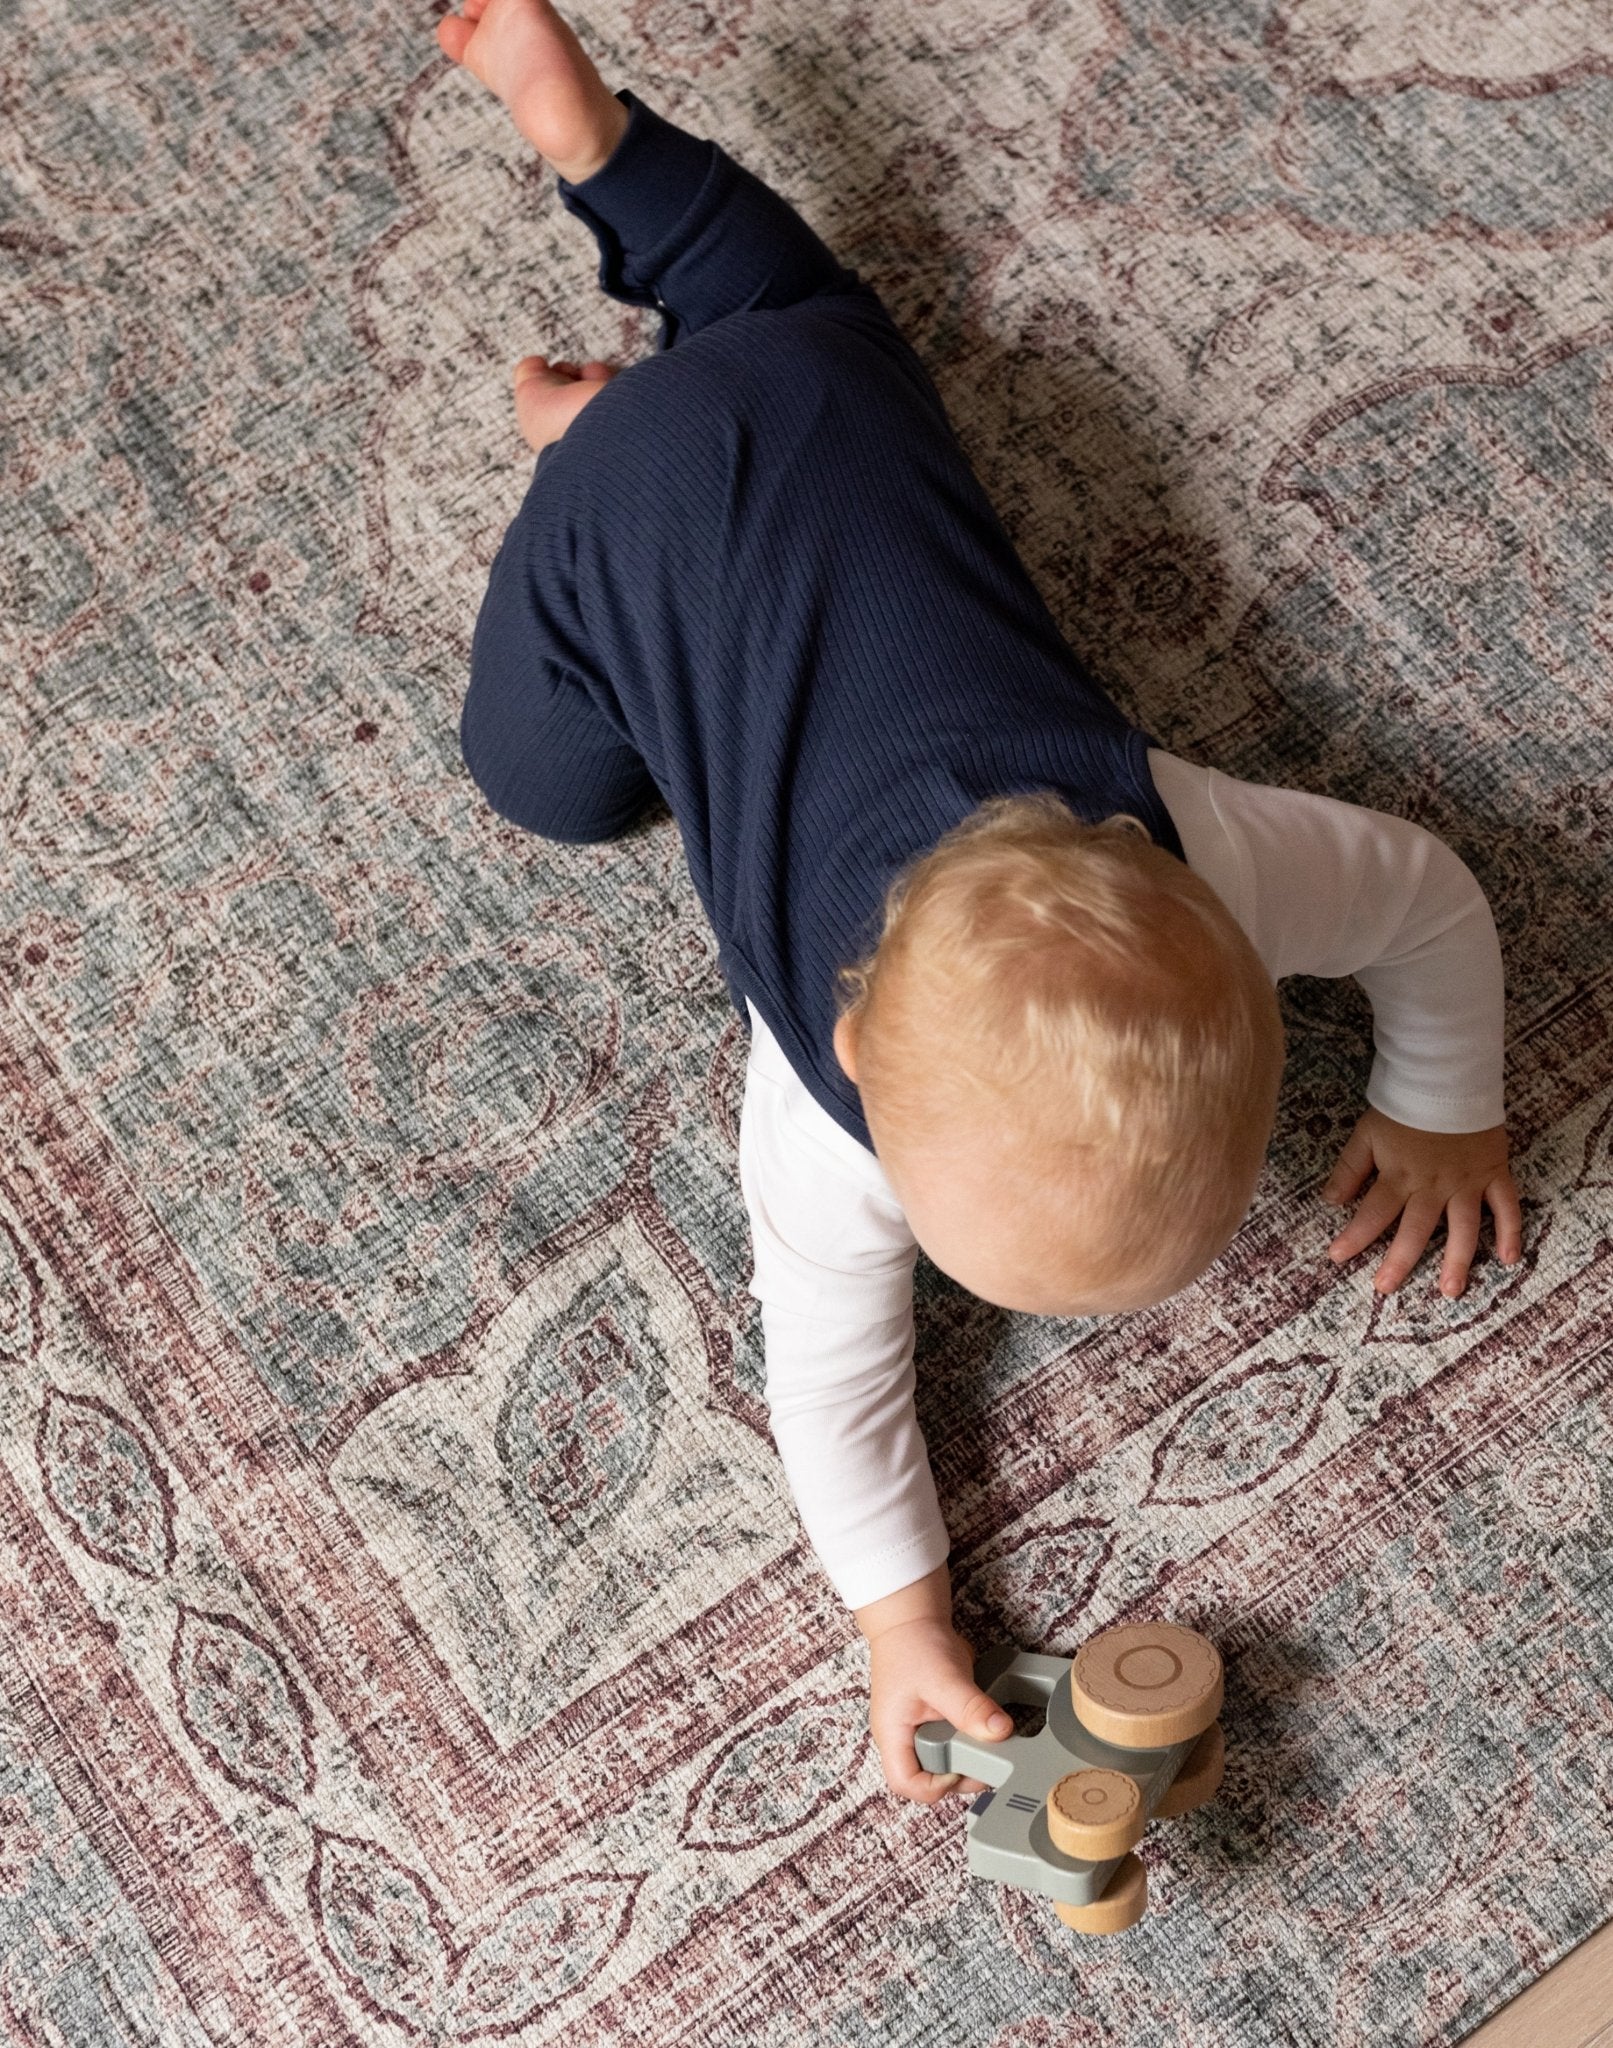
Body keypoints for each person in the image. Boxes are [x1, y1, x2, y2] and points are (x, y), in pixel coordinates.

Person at [434, 0, 1523, 1807]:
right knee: (554, 784)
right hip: (628, 531)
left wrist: (1442, 1100)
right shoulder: (820, 1115)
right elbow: (834, 1386)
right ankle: (586, 428)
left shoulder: (1218, 859)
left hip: (827, 398)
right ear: (850, 1047)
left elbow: (1427, 898)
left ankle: (603, 152)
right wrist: (899, 1616)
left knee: (793, 324)